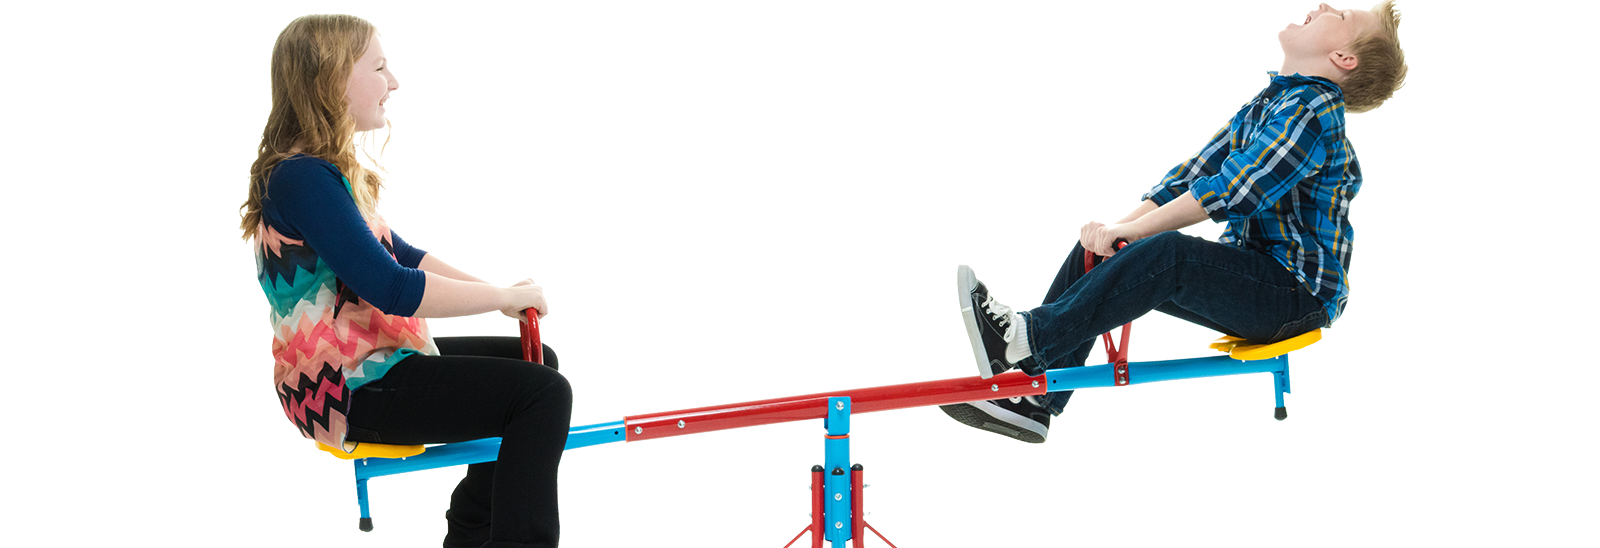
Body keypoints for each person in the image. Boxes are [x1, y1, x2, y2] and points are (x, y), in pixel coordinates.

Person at [941, 2, 1407, 444]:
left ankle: (1024, 339)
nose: (1324, 5)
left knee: (1170, 255)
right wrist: (1116, 235)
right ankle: (1034, 400)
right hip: (1260, 281)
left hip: (1296, 296)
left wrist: (1138, 233)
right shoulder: (1272, 105)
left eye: (1341, 14)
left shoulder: (1313, 108)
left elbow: (1237, 189)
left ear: (1342, 57)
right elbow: (1192, 177)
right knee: (1097, 256)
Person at [239, 15, 572, 548]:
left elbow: (404, 255)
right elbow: (391, 286)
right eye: (379, 66)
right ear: (333, 79)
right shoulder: (302, 178)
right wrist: (502, 297)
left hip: (366, 366)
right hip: (346, 388)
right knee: (542, 395)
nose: (392, 82)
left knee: (536, 365)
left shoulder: (313, 171)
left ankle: (470, 535)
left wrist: (502, 296)